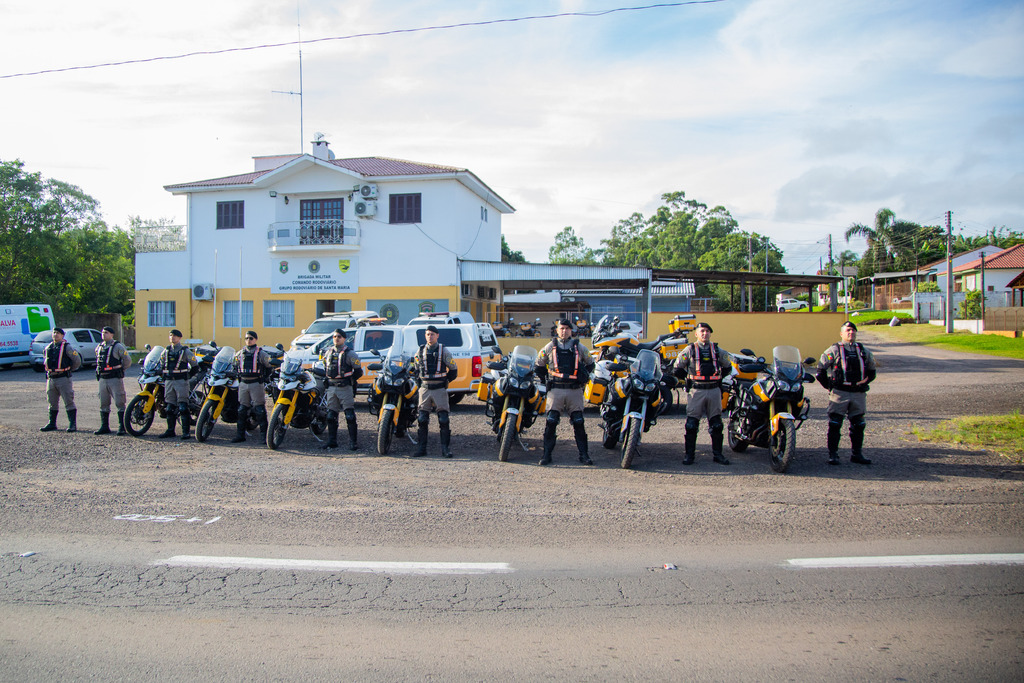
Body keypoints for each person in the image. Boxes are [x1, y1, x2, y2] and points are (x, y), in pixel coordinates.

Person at [535, 318, 596, 466]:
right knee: (551, 422)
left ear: (571, 330)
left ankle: (584, 455)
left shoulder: (579, 347)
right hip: (555, 390)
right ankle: (546, 455)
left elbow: (590, 363)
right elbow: (539, 365)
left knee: (579, 422)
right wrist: (545, 380)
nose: (564, 331)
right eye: (561, 328)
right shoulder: (549, 347)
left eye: (567, 329)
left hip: (574, 391)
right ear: (557, 330)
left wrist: (583, 377)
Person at [817, 320, 877, 465]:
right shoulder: (834, 350)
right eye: (848, 330)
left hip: (858, 393)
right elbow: (820, 371)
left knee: (859, 424)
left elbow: (872, 371)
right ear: (841, 333)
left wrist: (865, 382)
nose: (851, 333)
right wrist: (829, 386)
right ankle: (833, 455)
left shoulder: (863, 351)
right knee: (835, 423)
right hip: (839, 393)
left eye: (853, 330)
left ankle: (857, 454)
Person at [672, 321, 733, 466]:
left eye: (707, 331)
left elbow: (728, 366)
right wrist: (687, 380)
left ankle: (718, 455)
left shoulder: (717, 350)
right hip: (696, 391)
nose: (705, 334)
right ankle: (689, 456)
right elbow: (677, 367)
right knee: (691, 425)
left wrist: (718, 379)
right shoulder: (690, 350)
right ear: (696, 334)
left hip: (713, 391)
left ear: (710, 333)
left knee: (717, 425)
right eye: (702, 331)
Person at [412, 325, 457, 458]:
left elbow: (453, 370)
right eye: (427, 334)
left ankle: (445, 449)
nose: (429, 336)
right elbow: (415, 369)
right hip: (425, 389)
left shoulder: (444, 351)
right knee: (422, 419)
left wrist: (445, 382)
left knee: (443, 419)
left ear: (437, 335)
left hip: (439, 389)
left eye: (432, 334)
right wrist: (420, 384)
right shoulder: (420, 351)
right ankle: (421, 448)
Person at [320, 329, 363, 450]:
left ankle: (353, 442)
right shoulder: (328, 352)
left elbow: (358, 371)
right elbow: (325, 366)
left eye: (339, 336)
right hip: (331, 387)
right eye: (334, 336)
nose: (336, 338)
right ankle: (332, 441)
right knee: (330, 415)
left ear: (344, 339)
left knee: (349, 415)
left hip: (345, 388)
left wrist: (349, 381)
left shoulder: (350, 354)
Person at [232, 330, 274, 444]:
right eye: (246, 338)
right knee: (241, 410)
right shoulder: (240, 353)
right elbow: (234, 365)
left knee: (259, 410)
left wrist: (265, 378)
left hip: (256, 383)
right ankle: (240, 435)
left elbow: (269, 366)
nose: (248, 340)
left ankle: (264, 437)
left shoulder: (261, 353)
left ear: (255, 339)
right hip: (243, 383)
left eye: (251, 338)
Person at [40, 327, 82, 432]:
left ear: (62, 335)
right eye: (54, 333)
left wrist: (68, 370)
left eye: (58, 333)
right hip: (51, 378)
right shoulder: (48, 347)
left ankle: (72, 424)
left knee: (68, 400)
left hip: (63, 377)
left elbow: (77, 361)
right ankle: (52, 423)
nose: (55, 335)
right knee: (52, 401)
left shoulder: (67, 347)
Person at [158, 329, 197, 440]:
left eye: (175, 336)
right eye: (171, 335)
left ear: (180, 338)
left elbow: (195, 365)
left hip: (181, 381)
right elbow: (161, 365)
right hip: (169, 381)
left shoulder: (185, 351)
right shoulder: (165, 351)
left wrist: (187, 377)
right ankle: (170, 430)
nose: (172, 337)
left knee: (183, 407)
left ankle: (186, 432)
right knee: (169, 407)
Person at [94, 326, 132, 436]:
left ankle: (122, 426)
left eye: (106, 333)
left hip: (114, 378)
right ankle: (104, 426)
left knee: (120, 401)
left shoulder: (117, 346)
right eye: (102, 332)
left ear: (112, 334)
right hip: (103, 378)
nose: (103, 334)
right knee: (103, 402)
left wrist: (120, 370)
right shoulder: (99, 347)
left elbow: (127, 360)